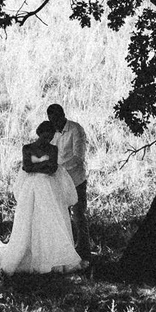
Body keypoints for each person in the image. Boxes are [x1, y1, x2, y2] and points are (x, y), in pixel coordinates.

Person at [0, 119, 83, 275]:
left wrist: (36, 167)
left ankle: (52, 257)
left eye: (49, 137)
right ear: (39, 133)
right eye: (44, 135)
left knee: (49, 218)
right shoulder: (27, 148)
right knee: (29, 217)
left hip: (48, 187)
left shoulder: (53, 149)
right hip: (32, 187)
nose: (47, 139)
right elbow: (27, 167)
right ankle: (28, 253)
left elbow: (52, 168)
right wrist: (42, 166)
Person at [48, 102, 90, 258]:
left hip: (76, 179)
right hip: (59, 181)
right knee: (62, 216)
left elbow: (78, 157)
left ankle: (84, 250)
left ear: (63, 116)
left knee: (79, 215)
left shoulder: (75, 130)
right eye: (51, 121)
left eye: (56, 120)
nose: (54, 124)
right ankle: (68, 249)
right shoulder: (53, 133)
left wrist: (58, 168)